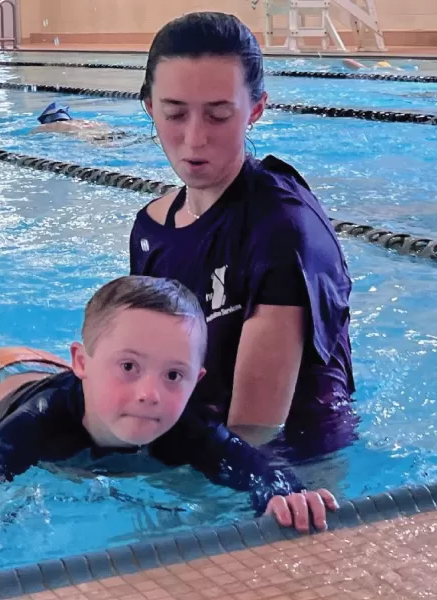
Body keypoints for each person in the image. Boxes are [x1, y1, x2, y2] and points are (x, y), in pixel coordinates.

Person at [0, 249, 337, 535]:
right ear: (81, 362)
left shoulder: (188, 427)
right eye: (130, 367)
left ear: (196, 380)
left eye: (174, 375)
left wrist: (287, 496)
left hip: (65, 371)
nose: (151, 393)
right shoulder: (40, 422)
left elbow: (256, 469)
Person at [130, 12, 356, 460]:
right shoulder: (151, 228)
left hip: (292, 468)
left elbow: (256, 430)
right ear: (150, 107)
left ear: (255, 110)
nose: (194, 138)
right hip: (199, 442)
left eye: (218, 115)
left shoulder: (282, 228)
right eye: (175, 113)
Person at [28, 102, 124, 144]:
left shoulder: (49, 126)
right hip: (112, 132)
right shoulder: (83, 121)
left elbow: (30, 137)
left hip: (87, 136)